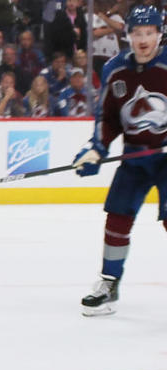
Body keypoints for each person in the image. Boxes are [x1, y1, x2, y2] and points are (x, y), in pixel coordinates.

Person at [73, 5, 167, 316]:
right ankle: (109, 284)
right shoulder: (114, 69)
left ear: (159, 34)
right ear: (127, 35)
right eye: (137, 33)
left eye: (149, 33)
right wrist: (95, 149)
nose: (143, 39)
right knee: (117, 217)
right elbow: (108, 119)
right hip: (135, 157)